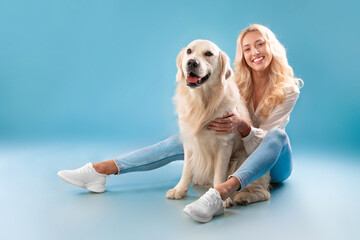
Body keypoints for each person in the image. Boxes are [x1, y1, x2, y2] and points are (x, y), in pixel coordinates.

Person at [57, 24, 303, 223]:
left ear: (272, 48)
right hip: (239, 156)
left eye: (260, 44)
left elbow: (265, 141)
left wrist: (243, 126)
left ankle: (220, 193)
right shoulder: (233, 79)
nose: (254, 52)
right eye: (247, 48)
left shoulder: (288, 89)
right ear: (242, 54)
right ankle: (100, 171)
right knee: (183, 139)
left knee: (278, 137)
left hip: (273, 162)